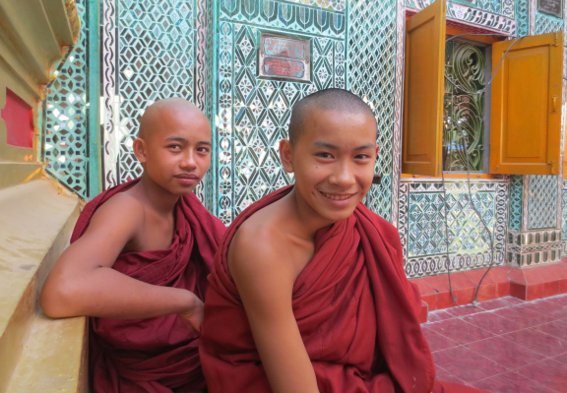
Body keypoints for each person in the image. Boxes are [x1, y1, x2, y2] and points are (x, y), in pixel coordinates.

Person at [199, 89, 486, 393]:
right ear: (288, 155)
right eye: (325, 155)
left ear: (375, 156)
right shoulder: (262, 247)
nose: (345, 178)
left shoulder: (362, 226)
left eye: (360, 157)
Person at [41, 98, 226, 393]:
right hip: (143, 373)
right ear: (142, 150)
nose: (191, 161)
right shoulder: (127, 209)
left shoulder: (185, 208)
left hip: (188, 359)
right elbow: (63, 291)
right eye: (175, 147)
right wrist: (185, 302)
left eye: (201, 150)